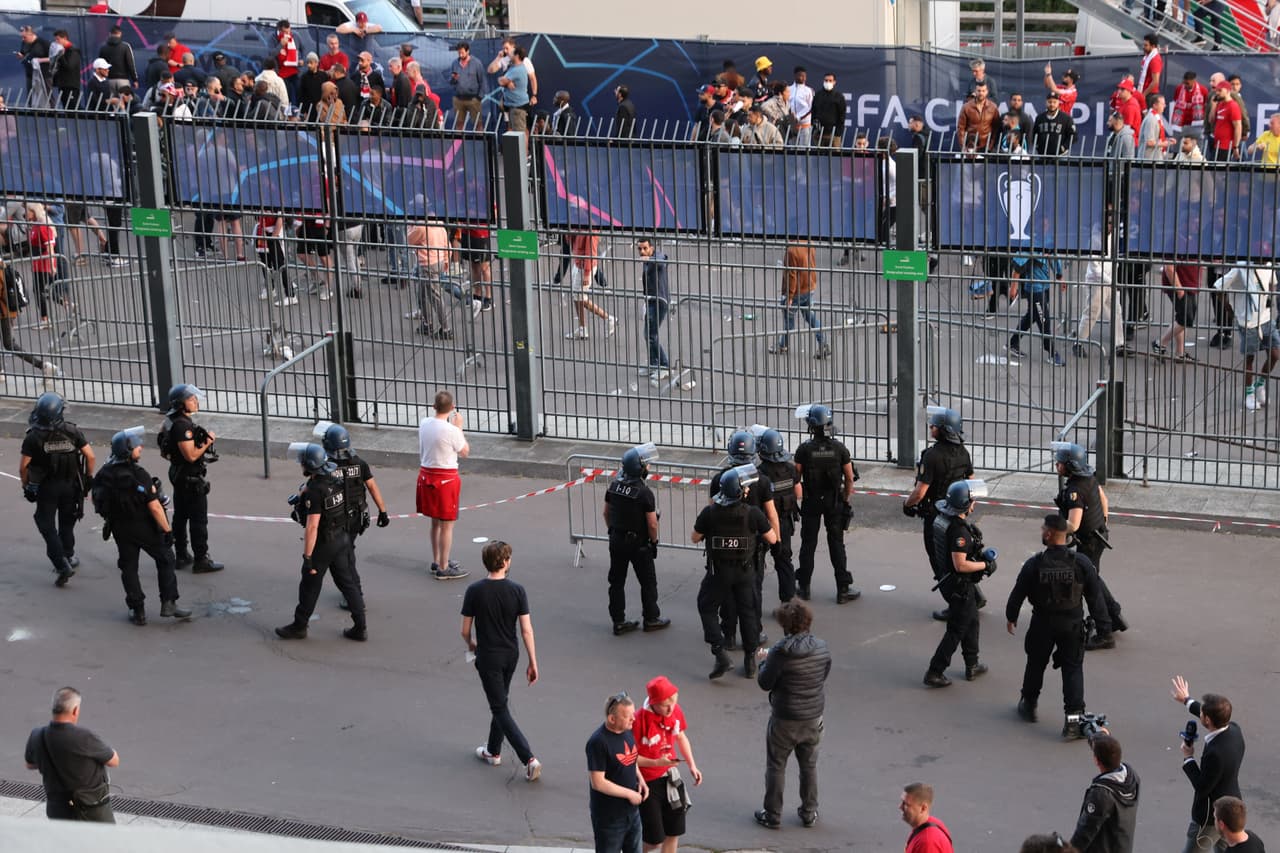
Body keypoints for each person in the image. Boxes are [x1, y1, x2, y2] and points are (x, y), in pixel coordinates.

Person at [1005, 515, 1112, 739]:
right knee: (1072, 669)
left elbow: (1018, 592)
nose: (1042, 530)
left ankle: (1029, 704)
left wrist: (1011, 616)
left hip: (1042, 622)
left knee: (1035, 664)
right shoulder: (1081, 563)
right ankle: (1073, 722)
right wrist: (1104, 628)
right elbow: (1095, 598)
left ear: (1049, 534)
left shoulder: (1034, 563)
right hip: (1072, 624)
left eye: (1044, 527)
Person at [91, 427, 191, 626]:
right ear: (128, 450)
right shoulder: (139, 474)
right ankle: (169, 602)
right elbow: (154, 506)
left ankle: (138, 610)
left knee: (128, 567)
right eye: (137, 446)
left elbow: (96, 499)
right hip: (144, 526)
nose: (141, 448)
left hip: (119, 527)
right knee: (165, 558)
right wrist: (167, 530)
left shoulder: (104, 473)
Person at [461, 540, 542, 782]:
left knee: (499, 707)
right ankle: (493, 751)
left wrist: (471, 644)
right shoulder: (517, 590)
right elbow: (526, 630)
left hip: (488, 656)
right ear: (506, 562)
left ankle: (528, 758)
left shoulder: (474, 591)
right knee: (501, 701)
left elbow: (465, 630)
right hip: (511, 654)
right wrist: (533, 661)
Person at [274, 443, 367, 641]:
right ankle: (360, 627)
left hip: (325, 544)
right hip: (342, 539)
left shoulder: (314, 491)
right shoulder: (334, 480)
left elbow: (312, 527)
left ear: (309, 466)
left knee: (310, 584)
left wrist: (308, 557)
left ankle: (299, 626)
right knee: (348, 584)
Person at [692, 466, 777, 678]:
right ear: (740, 492)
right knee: (748, 612)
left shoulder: (710, 513)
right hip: (745, 572)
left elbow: (695, 537)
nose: (748, 491)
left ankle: (720, 652)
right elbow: (772, 538)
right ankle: (750, 661)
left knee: (707, 606)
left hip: (718, 572)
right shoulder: (753, 513)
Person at [753, 600, 830, 830]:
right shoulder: (821, 646)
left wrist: (763, 662)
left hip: (785, 718)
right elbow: (823, 672)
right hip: (813, 716)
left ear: (785, 625)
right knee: (809, 766)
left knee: (776, 765)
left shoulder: (779, 652)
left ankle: (772, 813)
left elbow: (765, 683)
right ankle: (809, 812)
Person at [902, 407, 976, 620]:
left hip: (937, 516)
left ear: (942, 430)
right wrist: (970, 504)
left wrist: (907, 504)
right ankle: (973, 596)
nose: (930, 427)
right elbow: (972, 481)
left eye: (933, 425)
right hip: (959, 513)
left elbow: (920, 491)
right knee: (960, 556)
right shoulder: (963, 451)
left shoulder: (931, 456)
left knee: (941, 562)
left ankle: (956, 605)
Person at [708, 434, 778, 651]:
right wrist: (776, 539)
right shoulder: (762, 480)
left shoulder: (720, 479)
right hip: (752, 548)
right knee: (752, 593)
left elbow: (712, 511)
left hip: (723, 548)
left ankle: (728, 634)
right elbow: (771, 513)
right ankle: (754, 633)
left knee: (727, 592)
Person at [1052, 442, 1126, 649]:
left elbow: (1073, 524)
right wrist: (1102, 521)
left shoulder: (1075, 490)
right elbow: (1104, 499)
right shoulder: (1088, 478)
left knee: (1089, 586)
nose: (1057, 466)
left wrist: (1054, 528)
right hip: (1098, 536)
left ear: (1071, 465)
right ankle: (1114, 614)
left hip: (1089, 542)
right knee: (1093, 577)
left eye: (1060, 463)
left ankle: (1105, 632)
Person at [923, 480, 995, 688]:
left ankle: (972, 664)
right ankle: (935, 671)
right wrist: (984, 565)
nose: (974, 504)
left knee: (971, 620)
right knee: (956, 629)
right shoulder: (959, 531)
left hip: (950, 582)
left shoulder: (943, 519)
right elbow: (961, 565)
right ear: (965, 503)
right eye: (972, 501)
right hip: (959, 585)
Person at [20, 392, 94, 588]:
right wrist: (88, 478)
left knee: (45, 523)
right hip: (71, 485)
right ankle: (69, 556)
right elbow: (90, 456)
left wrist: (25, 485)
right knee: (67, 522)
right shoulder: (72, 431)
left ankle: (60, 563)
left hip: (47, 487)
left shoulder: (33, 436)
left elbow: (24, 466)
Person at [317, 422, 389, 610]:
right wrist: (383, 511)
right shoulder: (359, 462)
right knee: (348, 552)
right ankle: (351, 592)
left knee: (344, 558)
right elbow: (372, 487)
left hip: (336, 519)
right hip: (357, 517)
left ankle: (354, 595)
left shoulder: (326, 467)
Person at [1170, 675, 1246, 853]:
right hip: (1231, 808)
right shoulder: (1234, 729)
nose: (1200, 715)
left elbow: (1202, 786)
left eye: (1202, 714)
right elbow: (1208, 713)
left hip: (1210, 817)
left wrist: (1188, 758)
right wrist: (1187, 700)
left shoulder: (1216, 754)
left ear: (1208, 721)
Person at [793, 405, 858, 603]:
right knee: (837, 543)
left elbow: (796, 477)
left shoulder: (804, 449)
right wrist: (846, 498)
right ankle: (843, 590)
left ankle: (804, 587)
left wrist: (802, 499)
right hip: (834, 501)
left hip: (812, 501)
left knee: (808, 544)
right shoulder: (839, 448)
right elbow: (849, 477)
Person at [24, 687, 119, 823]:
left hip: (57, 808)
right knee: (104, 843)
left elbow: (30, 763)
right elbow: (114, 760)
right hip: (90, 808)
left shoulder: (37, 735)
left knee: (65, 843)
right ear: (75, 710)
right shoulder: (84, 737)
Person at [603, 443, 669, 636]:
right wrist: (653, 541)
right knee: (648, 582)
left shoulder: (614, 486)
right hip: (638, 543)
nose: (648, 468)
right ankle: (651, 618)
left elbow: (606, 512)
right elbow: (652, 524)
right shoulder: (644, 492)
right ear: (639, 468)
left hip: (616, 539)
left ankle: (619, 621)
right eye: (646, 465)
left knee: (616, 582)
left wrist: (613, 531)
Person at [159, 384, 224, 574]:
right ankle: (201, 559)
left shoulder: (170, 421)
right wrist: (208, 440)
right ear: (180, 404)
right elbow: (191, 455)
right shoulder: (183, 426)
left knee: (180, 515)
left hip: (177, 473)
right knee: (198, 520)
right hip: (190, 477)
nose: (195, 402)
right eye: (191, 399)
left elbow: (164, 448)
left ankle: (181, 554)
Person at [633, 675, 701, 853]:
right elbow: (630, 757)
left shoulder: (675, 711)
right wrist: (656, 762)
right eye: (665, 705)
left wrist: (692, 766)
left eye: (673, 702)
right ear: (653, 703)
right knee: (654, 839)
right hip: (647, 782)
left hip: (671, 778)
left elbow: (681, 737)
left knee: (673, 833)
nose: (671, 708)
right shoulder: (638, 720)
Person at [1211, 263, 1280, 411]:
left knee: (1275, 354)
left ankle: (1260, 383)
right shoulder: (1240, 267)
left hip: (1266, 319)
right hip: (1248, 321)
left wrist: (1268, 298)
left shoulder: (1268, 264)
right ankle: (1249, 394)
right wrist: (1228, 306)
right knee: (1250, 358)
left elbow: (1273, 282)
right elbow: (1218, 286)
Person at [417, 390, 470, 580]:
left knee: (435, 522)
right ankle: (444, 567)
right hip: (446, 479)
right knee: (447, 524)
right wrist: (459, 428)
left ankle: (438, 559)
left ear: (434, 407)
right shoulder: (451, 431)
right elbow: (464, 451)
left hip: (426, 475)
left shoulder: (424, 423)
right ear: (452, 407)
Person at [587, 692, 648, 853]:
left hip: (632, 813)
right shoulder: (598, 742)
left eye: (633, 714)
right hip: (609, 818)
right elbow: (598, 782)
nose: (633, 719)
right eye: (628, 717)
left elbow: (630, 759)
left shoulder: (627, 731)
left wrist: (640, 779)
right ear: (612, 719)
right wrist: (630, 794)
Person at [1069, 734, 1139, 853]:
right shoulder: (1132, 778)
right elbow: (1111, 751)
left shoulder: (1101, 795)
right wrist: (1103, 739)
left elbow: (1084, 833)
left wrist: (1069, 850)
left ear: (1096, 761)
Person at [756, 428, 799, 603]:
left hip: (763, 523)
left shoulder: (759, 472)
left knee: (757, 562)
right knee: (784, 560)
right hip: (784, 522)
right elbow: (799, 492)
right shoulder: (790, 469)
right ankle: (788, 602)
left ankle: (753, 602)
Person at [770, 241, 829, 358]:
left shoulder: (791, 250)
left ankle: (783, 345)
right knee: (811, 317)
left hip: (797, 291)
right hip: (809, 286)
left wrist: (789, 296)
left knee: (789, 320)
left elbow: (792, 275)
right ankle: (823, 343)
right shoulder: (809, 244)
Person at [1009, 253, 1066, 367]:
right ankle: (1051, 352)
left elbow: (1055, 257)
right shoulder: (1030, 242)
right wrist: (1013, 286)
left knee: (1032, 316)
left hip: (1044, 285)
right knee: (1044, 319)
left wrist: (1060, 276)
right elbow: (1019, 264)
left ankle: (1013, 343)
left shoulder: (1048, 240)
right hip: (1034, 288)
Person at [636, 237, 670, 382]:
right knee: (648, 334)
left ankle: (664, 366)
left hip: (660, 302)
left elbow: (663, 260)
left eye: (645, 248)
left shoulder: (657, 256)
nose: (642, 252)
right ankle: (653, 364)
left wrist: (649, 259)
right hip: (651, 300)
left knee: (651, 335)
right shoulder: (647, 259)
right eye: (639, 249)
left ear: (652, 247)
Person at [900, 783, 953, 852]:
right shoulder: (932, 823)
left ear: (923, 808)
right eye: (902, 802)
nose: (900, 807)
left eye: (906, 804)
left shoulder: (927, 843)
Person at [450, 41, 485, 129]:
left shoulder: (477, 63)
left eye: (462, 52)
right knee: (459, 124)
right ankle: (459, 142)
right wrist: (453, 79)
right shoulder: (455, 63)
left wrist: (479, 97)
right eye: (459, 53)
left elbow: (482, 81)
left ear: (467, 51)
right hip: (459, 99)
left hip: (473, 99)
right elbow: (451, 82)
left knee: (478, 123)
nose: (460, 55)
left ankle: (479, 141)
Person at [812, 72, 846, 147]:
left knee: (835, 156)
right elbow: (813, 112)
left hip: (834, 134)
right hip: (819, 133)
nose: (828, 82)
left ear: (834, 82)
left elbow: (842, 115)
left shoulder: (839, 97)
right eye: (826, 80)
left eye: (830, 81)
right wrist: (814, 128)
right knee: (819, 157)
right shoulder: (818, 95)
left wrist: (838, 132)